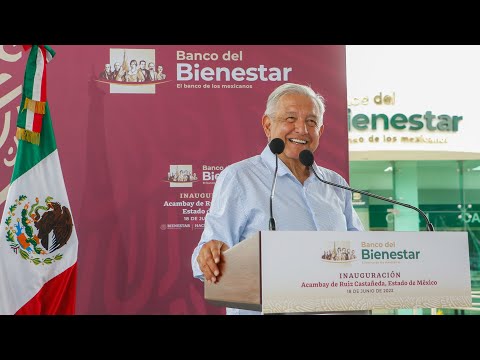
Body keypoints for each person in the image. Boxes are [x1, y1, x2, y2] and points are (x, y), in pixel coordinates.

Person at [191, 82, 365, 315]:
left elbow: (360, 251)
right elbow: (208, 254)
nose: (302, 129)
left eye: (311, 122)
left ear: (320, 132)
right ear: (268, 125)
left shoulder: (335, 184)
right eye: (290, 118)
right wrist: (208, 256)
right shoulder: (240, 178)